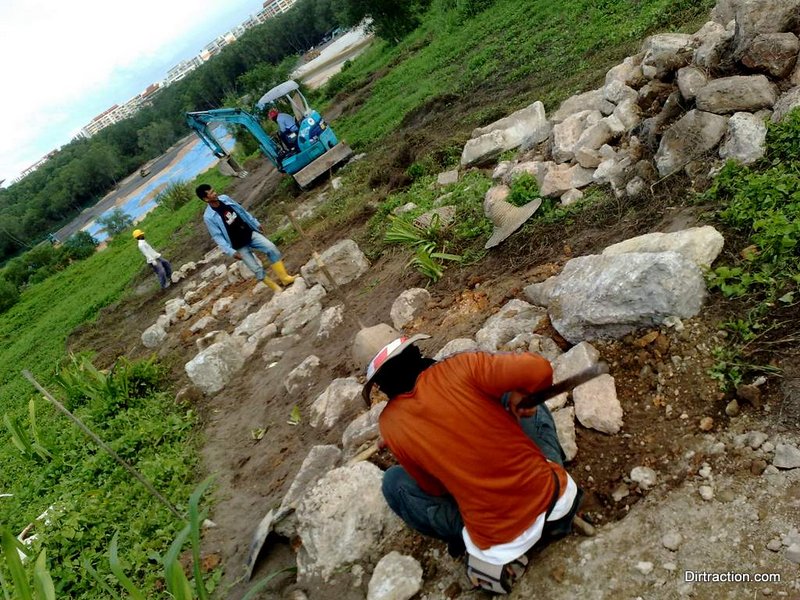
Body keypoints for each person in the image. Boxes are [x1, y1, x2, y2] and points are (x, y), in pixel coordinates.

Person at [361, 330, 583, 593]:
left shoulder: (390, 425)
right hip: (554, 500)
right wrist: (516, 396)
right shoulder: (461, 366)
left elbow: (435, 489)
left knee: (393, 482)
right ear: (414, 350)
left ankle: (474, 549)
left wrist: (423, 447)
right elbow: (538, 369)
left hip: (497, 542)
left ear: (380, 385)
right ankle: (556, 509)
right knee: (517, 392)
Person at [195, 184, 296, 292]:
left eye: (213, 190)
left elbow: (241, 210)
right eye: (211, 193)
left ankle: (284, 278)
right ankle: (275, 288)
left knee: (271, 248)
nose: (215, 193)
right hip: (238, 245)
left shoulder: (225, 199)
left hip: (249, 233)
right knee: (256, 269)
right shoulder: (209, 217)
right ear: (206, 199)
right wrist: (231, 252)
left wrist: (255, 223)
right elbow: (217, 236)